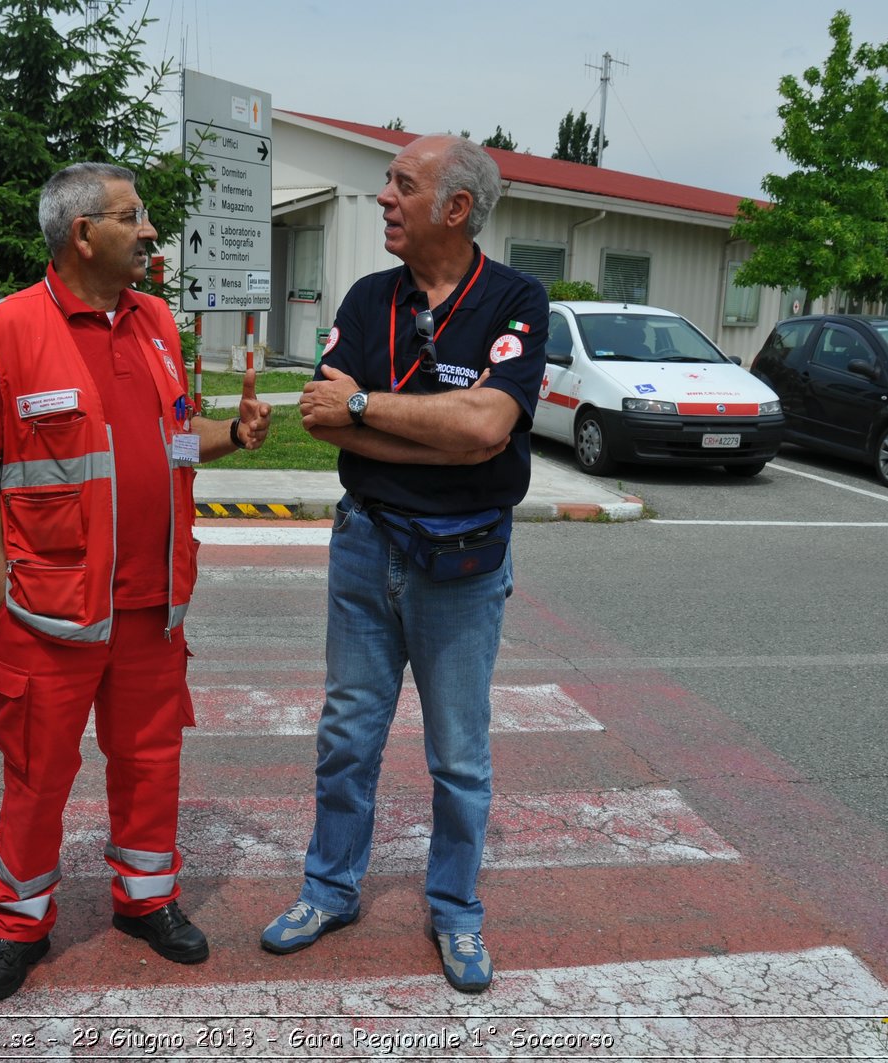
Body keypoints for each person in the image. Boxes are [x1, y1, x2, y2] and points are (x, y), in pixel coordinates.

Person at [0, 161, 271, 1003]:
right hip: (50, 613)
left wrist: (231, 434)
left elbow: (177, 437)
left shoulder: (159, 321)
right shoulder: (7, 329)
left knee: (150, 760)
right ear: (83, 232)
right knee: (37, 773)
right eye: (135, 217)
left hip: (152, 605)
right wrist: (2, 590)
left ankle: (146, 898)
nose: (152, 232)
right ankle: (17, 924)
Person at [262, 135, 548, 994]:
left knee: (458, 752)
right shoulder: (367, 296)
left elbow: (487, 429)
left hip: (461, 562)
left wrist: (369, 410)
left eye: (402, 184)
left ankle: (455, 908)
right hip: (366, 542)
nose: (384, 196)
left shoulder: (515, 297)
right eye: (387, 182)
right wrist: (436, 433)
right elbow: (320, 420)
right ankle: (331, 887)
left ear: (455, 208)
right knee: (347, 732)